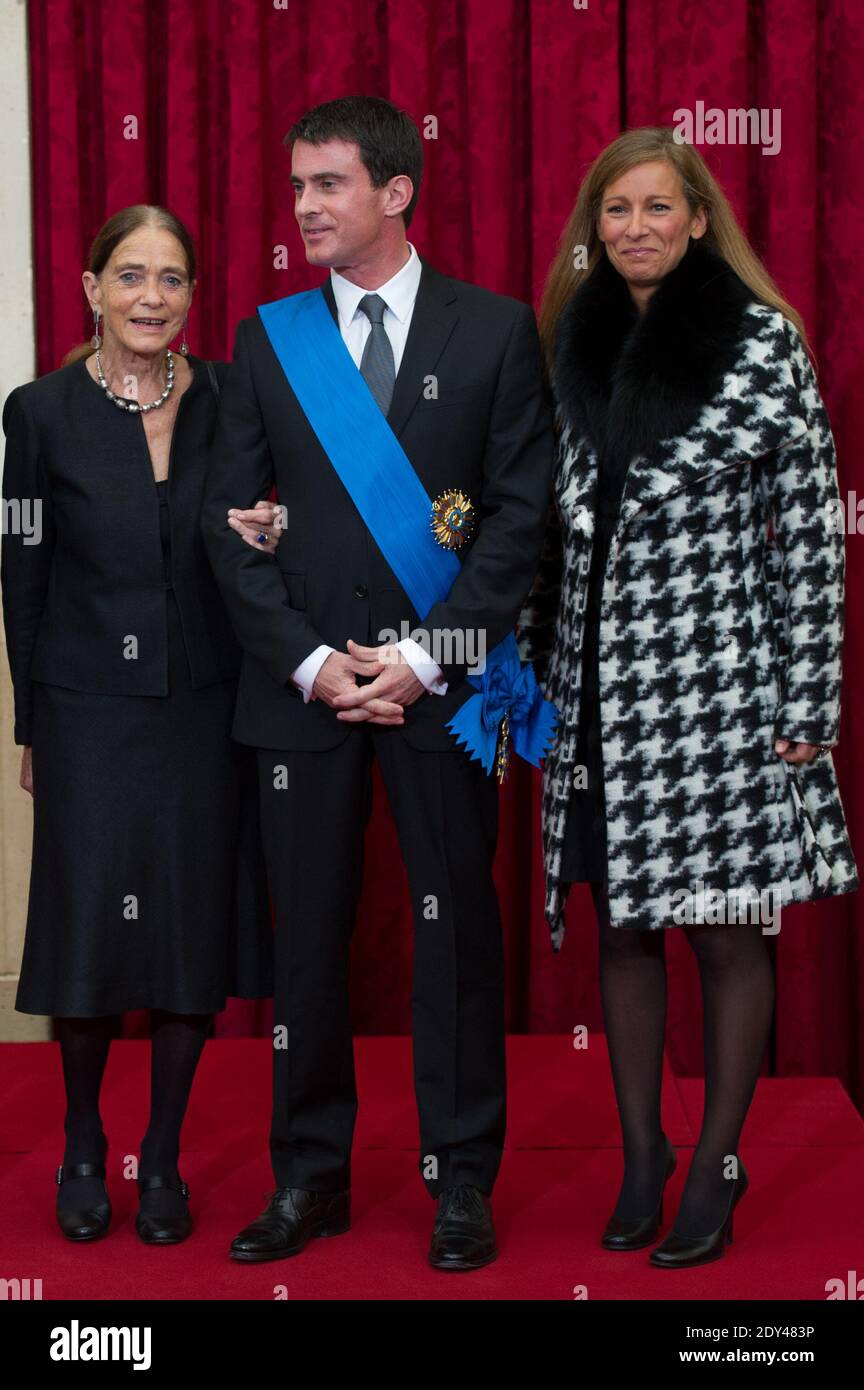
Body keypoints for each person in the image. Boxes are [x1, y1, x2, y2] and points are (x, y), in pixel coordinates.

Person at [201, 95, 554, 1271]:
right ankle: (309, 1178)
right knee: (306, 941)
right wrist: (312, 662)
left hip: (442, 692)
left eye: (328, 184)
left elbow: (516, 526)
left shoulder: (496, 333)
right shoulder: (268, 338)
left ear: (397, 192)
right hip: (303, 693)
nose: (303, 206)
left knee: (454, 937)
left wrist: (417, 658)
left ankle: (462, 1181)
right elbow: (232, 525)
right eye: (297, 186)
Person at [518, 126, 859, 1269]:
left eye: (657, 208)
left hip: (718, 693)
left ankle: (716, 1162)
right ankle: (643, 1156)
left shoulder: (763, 345)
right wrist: (530, 679)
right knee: (622, 928)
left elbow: (811, 536)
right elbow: (555, 538)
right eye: (615, 212)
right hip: (599, 693)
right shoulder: (576, 339)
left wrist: (807, 701)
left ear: (699, 217)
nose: (634, 229)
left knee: (722, 929)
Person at [1, 205, 278, 1247]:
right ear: (90, 288)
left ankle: (160, 1156)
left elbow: (261, 531)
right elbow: (20, 570)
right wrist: (32, 719)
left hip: (207, 707)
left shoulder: (228, 399)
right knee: (85, 928)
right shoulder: (37, 412)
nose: (150, 297)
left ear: (192, 295)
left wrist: (279, 527)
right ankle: (83, 1145)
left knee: (185, 924)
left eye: (170, 279)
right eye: (130, 276)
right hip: (83, 709)